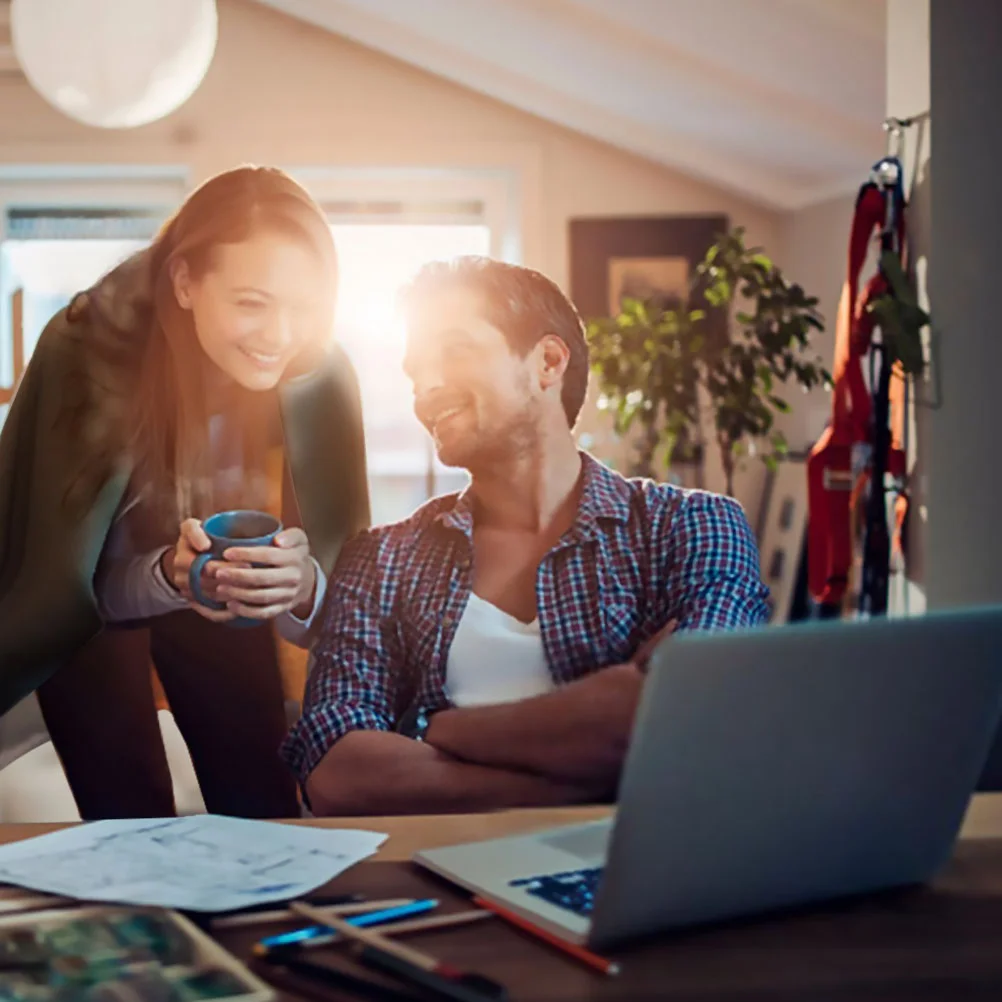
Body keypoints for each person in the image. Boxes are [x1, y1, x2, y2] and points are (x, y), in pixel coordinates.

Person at [281, 256, 770, 817]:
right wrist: (586, 778)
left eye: (456, 351)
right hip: (434, 881)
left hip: (628, 876)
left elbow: (687, 717)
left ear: (548, 361)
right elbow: (335, 771)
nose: (426, 389)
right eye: (415, 372)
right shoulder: (381, 559)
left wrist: (439, 730)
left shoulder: (692, 528)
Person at [0, 166, 369, 819]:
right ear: (185, 282)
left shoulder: (318, 370)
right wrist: (168, 579)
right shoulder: (87, 349)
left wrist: (302, 581)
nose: (278, 336)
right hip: (93, 618)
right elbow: (66, 587)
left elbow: (350, 575)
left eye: (302, 305)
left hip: (218, 599)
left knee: (264, 806)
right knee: (127, 818)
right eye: (252, 302)